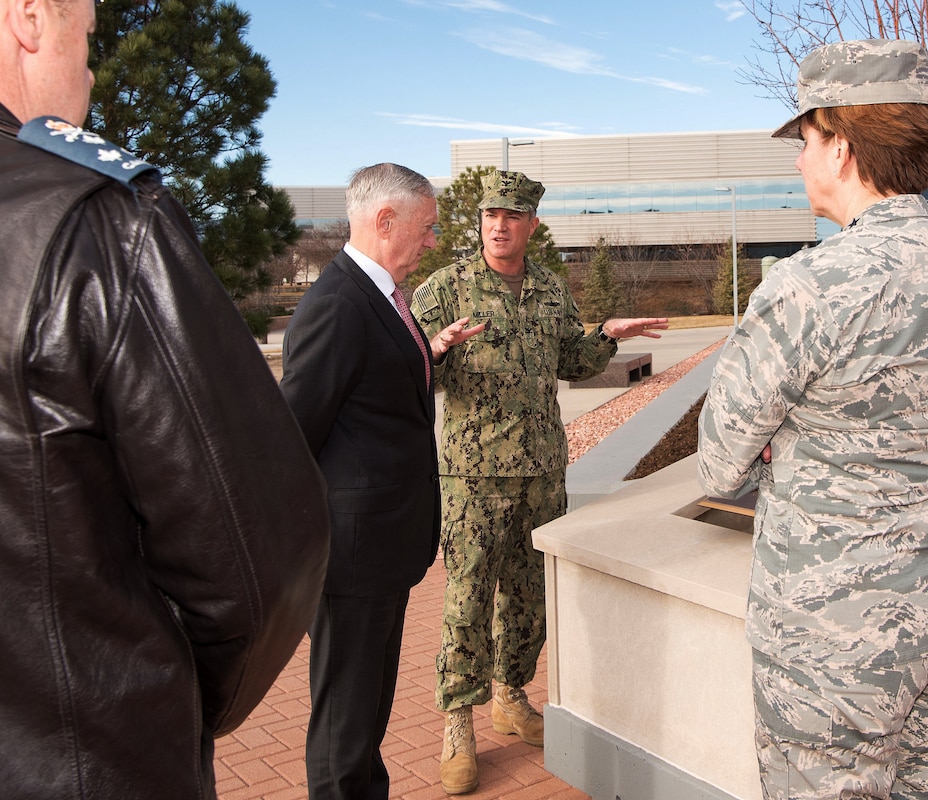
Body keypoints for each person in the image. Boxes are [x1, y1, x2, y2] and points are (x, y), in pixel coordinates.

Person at [0, 1, 330, 797]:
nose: (91, 66)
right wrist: (166, 700)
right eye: (89, 34)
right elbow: (260, 558)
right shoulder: (91, 222)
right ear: (32, 20)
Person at [697, 40, 928, 800]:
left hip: (837, 634)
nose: (799, 162)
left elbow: (718, 464)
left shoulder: (807, 286)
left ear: (840, 146)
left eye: (804, 143)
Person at [412, 169, 668, 795]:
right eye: (490, 215)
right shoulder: (444, 288)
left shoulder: (551, 291)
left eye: (512, 216)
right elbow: (403, 369)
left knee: (527, 595)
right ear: (479, 223)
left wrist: (605, 335)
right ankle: (457, 723)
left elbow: (570, 363)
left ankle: (510, 694)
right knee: (467, 598)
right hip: (473, 477)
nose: (499, 225)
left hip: (541, 473)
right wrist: (435, 350)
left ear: (531, 225)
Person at [280, 163, 484, 800]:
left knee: (366, 718)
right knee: (345, 726)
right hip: (352, 557)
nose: (431, 242)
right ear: (384, 220)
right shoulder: (338, 303)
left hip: (381, 553)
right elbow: (292, 436)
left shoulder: (382, 297)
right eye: (425, 228)